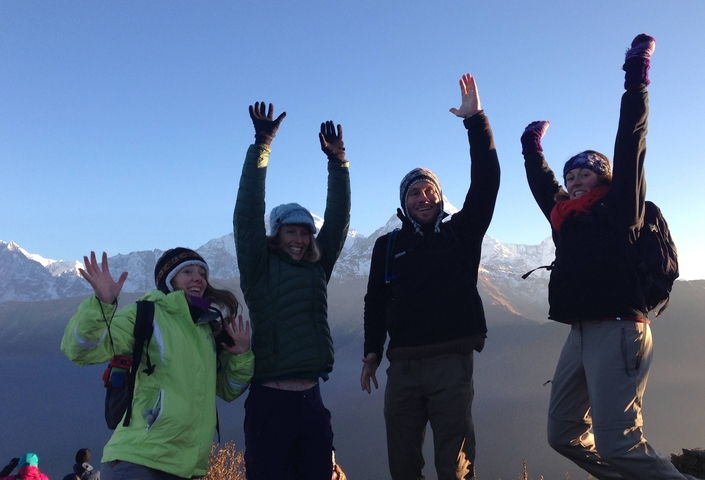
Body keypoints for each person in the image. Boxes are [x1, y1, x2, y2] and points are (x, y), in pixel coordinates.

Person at [521, 34, 697, 479]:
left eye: (586, 174)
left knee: (619, 443)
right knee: (562, 434)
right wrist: (531, 148)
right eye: (571, 175)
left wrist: (636, 78)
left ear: (604, 180)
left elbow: (631, 139)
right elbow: (544, 186)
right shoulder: (565, 218)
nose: (576, 181)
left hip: (619, 329)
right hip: (580, 331)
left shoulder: (621, 208)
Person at [361, 73, 501, 480]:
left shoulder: (462, 232)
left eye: (429, 191)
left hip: (450, 363)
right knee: (402, 466)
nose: (422, 198)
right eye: (413, 193)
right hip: (400, 366)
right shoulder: (386, 246)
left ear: (440, 197)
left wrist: (476, 121)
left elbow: (487, 181)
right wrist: (372, 351)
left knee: (453, 466)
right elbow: (376, 300)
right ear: (403, 203)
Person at [61, 248, 254, 480]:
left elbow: (229, 389)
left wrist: (241, 356)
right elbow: (81, 349)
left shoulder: (207, 329)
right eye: (188, 271)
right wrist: (102, 304)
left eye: (203, 273)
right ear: (169, 279)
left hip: (187, 468)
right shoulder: (146, 314)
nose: (198, 278)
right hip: (139, 460)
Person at [233, 102, 351, 480]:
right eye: (291, 231)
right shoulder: (258, 267)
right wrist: (261, 145)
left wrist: (338, 163)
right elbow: (247, 211)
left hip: (312, 399)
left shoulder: (318, 266)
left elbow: (338, 220)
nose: (299, 239)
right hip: (270, 400)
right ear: (276, 234)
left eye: (304, 232)